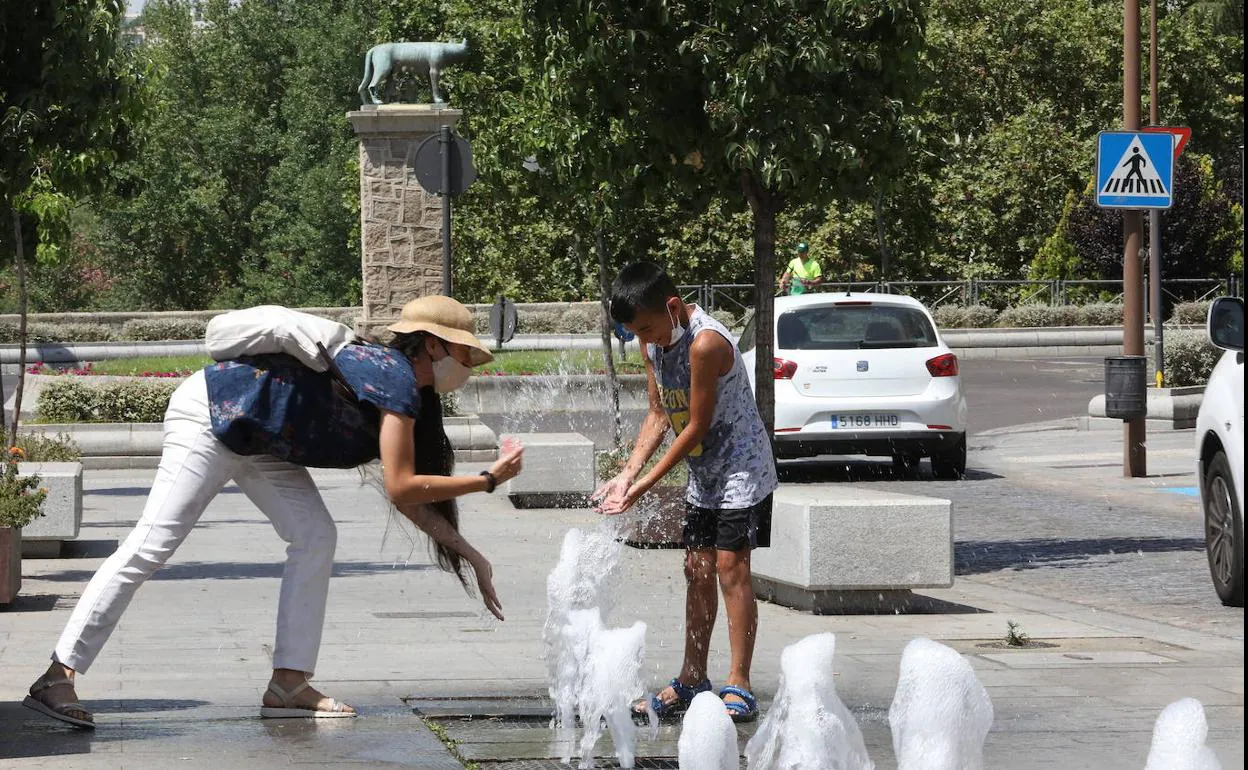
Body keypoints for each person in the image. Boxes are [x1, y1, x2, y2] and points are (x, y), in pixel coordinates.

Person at [23, 296, 524, 728]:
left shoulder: (401, 390)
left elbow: (411, 495)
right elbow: (402, 487)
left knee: (315, 536)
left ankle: (289, 685)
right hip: (214, 413)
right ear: (432, 345)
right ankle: (57, 676)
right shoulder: (392, 377)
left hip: (261, 437)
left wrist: (471, 554)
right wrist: (488, 481)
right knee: (153, 542)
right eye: (465, 353)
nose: (468, 366)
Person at [594, 262, 778, 723]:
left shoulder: (705, 343)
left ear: (672, 306)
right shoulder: (650, 341)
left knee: (730, 567)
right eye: (636, 330)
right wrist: (626, 472)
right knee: (696, 568)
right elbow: (660, 414)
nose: (645, 336)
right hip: (704, 471)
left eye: (647, 326)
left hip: (742, 469)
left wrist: (640, 488)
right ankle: (693, 678)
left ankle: (739, 682)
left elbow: (694, 424)